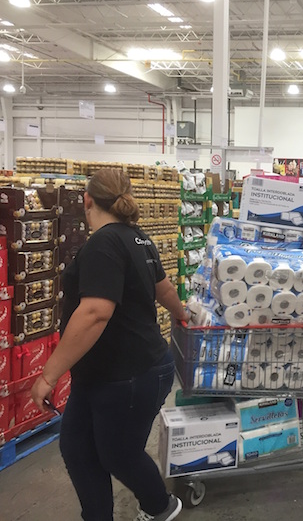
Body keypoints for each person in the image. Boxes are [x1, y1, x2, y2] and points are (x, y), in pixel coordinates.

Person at [31, 168, 188, 521]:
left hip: (128, 373)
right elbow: (164, 289)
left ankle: (161, 507)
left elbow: (95, 313)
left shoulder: (103, 244)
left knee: (118, 454)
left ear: (87, 200)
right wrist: (182, 315)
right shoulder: (139, 238)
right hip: (110, 371)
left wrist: (48, 375)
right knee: (77, 448)